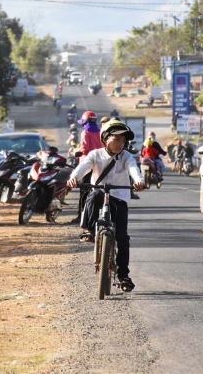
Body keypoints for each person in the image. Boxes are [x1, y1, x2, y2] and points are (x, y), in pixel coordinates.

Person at [67, 118, 144, 292]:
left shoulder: (126, 157)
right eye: (116, 139)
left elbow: (134, 170)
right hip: (100, 193)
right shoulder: (94, 155)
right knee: (93, 195)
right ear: (105, 139)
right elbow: (83, 168)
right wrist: (74, 178)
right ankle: (91, 230)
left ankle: (123, 275)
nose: (120, 143)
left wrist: (139, 181)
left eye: (123, 140)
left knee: (123, 238)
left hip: (120, 197)